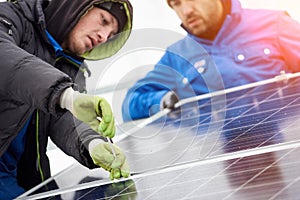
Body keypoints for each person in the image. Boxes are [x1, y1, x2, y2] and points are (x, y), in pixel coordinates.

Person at [0, 0, 133, 199]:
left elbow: (65, 117)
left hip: (21, 179)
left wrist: (93, 143)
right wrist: (66, 95)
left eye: (111, 35)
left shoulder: (68, 64)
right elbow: (6, 59)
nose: (103, 37)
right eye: (103, 20)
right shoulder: (10, 17)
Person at [121, 0, 300, 122]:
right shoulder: (177, 56)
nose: (186, 11)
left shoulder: (274, 24)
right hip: (216, 164)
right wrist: (167, 99)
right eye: (176, 3)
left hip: (287, 147)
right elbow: (131, 104)